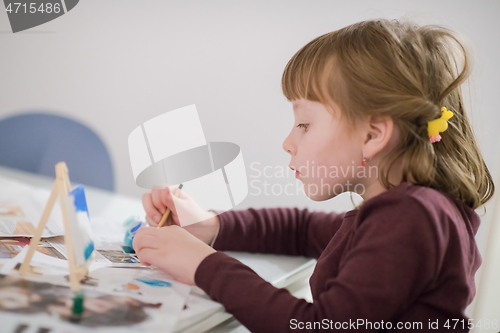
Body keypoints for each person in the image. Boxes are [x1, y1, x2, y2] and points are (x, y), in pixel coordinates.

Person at [133, 18, 495, 332]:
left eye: (304, 124)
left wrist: (202, 265)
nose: (288, 142)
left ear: (372, 135)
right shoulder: (406, 211)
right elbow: (301, 229)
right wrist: (211, 226)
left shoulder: (411, 219)